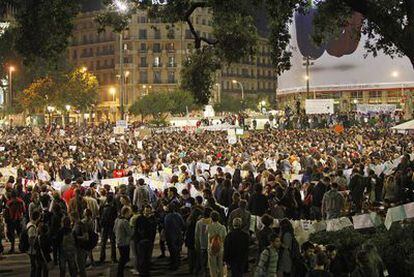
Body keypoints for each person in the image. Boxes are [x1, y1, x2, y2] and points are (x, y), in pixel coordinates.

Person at [134, 205, 157, 276]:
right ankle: (142, 273)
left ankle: (147, 272)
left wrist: (152, 240)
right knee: (141, 258)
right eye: (146, 210)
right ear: (143, 210)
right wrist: (137, 240)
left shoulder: (153, 219)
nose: (147, 212)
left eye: (148, 210)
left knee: (148, 258)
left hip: (149, 241)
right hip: (141, 241)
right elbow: (136, 230)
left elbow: (154, 230)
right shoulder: (139, 218)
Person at [164, 203, 185, 270]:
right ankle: (177, 263)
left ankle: (174, 264)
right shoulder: (178, 215)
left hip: (170, 236)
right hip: (178, 235)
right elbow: (183, 225)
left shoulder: (167, 217)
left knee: (172, 251)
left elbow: (166, 227)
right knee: (177, 250)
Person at [114, 206, 133, 277]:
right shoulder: (125, 222)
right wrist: (133, 228)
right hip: (125, 243)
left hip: (119, 241)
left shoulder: (117, 220)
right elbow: (130, 233)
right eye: (129, 212)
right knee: (124, 259)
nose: (130, 214)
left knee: (122, 258)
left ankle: (120, 273)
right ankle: (119, 274)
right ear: (126, 213)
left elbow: (114, 230)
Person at [206, 211, 227, 277]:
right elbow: (224, 238)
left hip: (211, 248)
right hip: (220, 248)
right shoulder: (223, 227)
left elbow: (206, 234)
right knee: (220, 264)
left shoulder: (208, 227)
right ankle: (221, 275)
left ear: (211, 218)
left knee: (212, 266)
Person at [99, 193, 118, 263]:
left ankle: (102, 258)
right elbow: (115, 217)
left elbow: (100, 216)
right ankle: (113, 258)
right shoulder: (113, 207)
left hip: (104, 226)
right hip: (111, 226)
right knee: (113, 242)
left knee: (103, 242)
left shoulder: (102, 207)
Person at [195, 207, 212, 276]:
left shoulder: (199, 222)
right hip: (211, 244)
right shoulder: (212, 222)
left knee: (203, 261)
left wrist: (197, 245)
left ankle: (204, 273)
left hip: (202, 244)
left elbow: (196, 235)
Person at [27, 210, 41, 277]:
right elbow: (31, 239)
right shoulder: (32, 227)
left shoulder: (30, 224)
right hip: (32, 250)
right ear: (37, 217)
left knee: (35, 267)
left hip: (32, 250)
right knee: (34, 267)